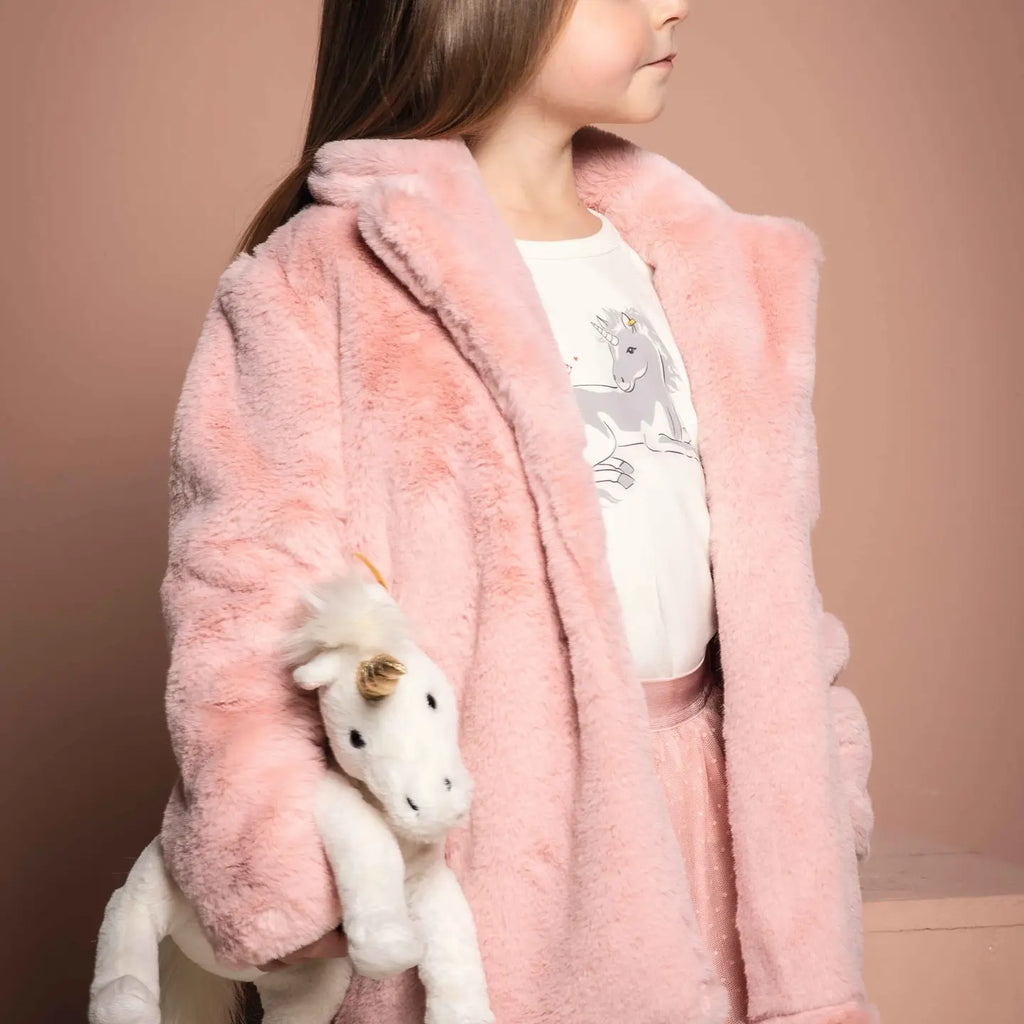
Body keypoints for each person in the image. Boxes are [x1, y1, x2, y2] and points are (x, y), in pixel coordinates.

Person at [159, 1, 878, 1022]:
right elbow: (246, 603)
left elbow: (772, 588)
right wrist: (293, 866)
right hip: (498, 859)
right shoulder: (322, 283)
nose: (673, 3)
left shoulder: (708, 268)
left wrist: (824, 782)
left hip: (727, 831)